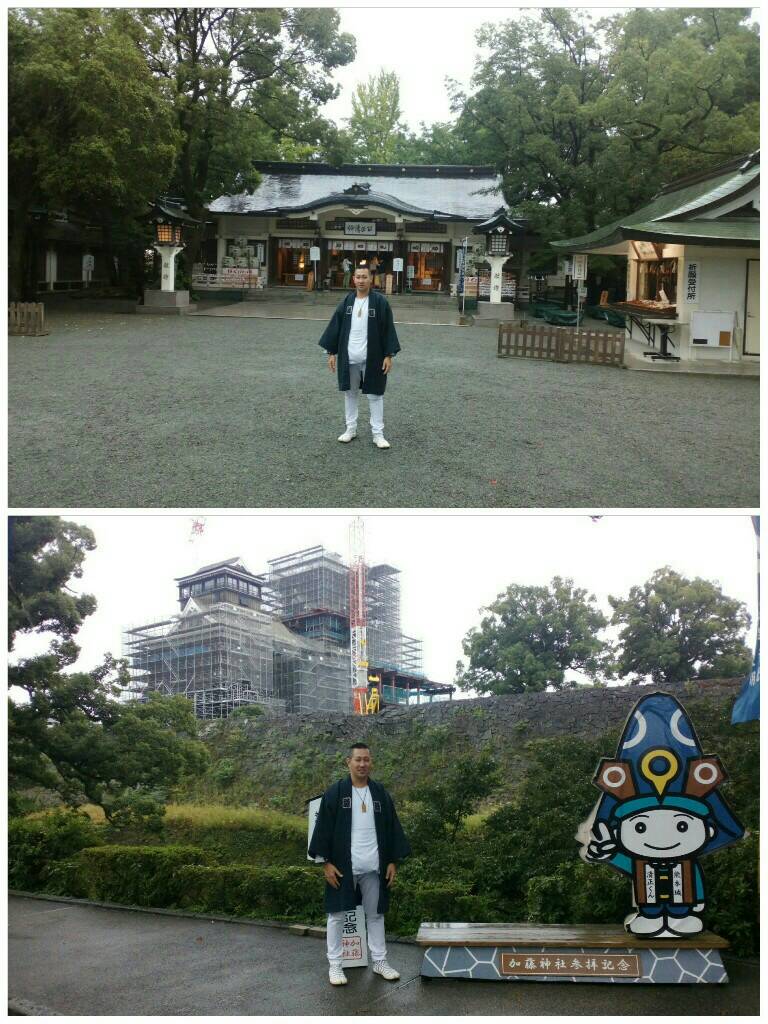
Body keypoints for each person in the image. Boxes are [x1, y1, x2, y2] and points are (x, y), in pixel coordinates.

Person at [308, 742, 411, 987]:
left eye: (366, 759)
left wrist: (392, 861)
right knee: (336, 916)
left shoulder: (380, 793)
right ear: (349, 762)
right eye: (358, 760)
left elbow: (391, 828)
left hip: (375, 867)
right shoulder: (336, 792)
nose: (363, 764)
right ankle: (335, 965)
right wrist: (325, 864)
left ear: (371, 762)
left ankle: (380, 961)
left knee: (376, 915)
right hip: (343, 866)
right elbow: (322, 829)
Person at [318, 265, 401, 450]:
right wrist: (331, 353)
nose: (361, 280)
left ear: (371, 279)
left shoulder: (380, 302)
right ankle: (350, 429)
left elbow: (388, 329)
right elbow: (335, 327)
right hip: (350, 357)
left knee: (375, 395)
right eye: (358, 277)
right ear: (353, 279)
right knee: (350, 394)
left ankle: (378, 434)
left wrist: (388, 355)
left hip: (373, 357)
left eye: (365, 277)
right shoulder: (347, 302)